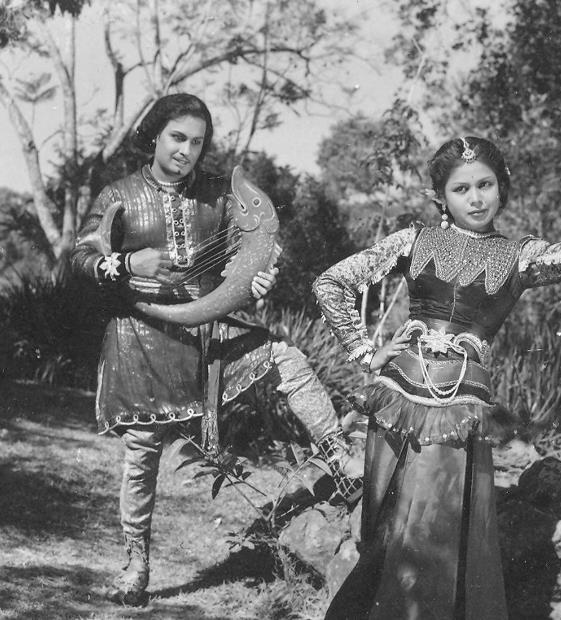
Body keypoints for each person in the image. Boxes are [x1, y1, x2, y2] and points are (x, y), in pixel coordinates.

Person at [313, 129, 561, 619]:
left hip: (458, 413)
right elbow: (331, 282)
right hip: (394, 403)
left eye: (485, 185)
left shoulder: (519, 256)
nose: (475, 198)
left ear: (502, 187)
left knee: (432, 533)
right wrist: (364, 351)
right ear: (440, 197)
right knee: (387, 532)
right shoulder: (413, 241)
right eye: (461, 189)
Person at [71, 93, 358, 607]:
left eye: (197, 142)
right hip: (141, 336)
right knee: (142, 451)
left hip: (210, 333)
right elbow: (81, 257)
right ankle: (135, 564)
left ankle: (340, 459)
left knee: (286, 358)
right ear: (154, 135)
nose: (186, 151)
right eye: (177, 138)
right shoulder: (119, 194)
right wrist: (129, 264)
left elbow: (242, 256)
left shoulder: (218, 196)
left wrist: (257, 280)